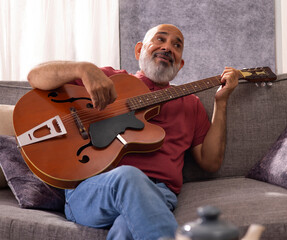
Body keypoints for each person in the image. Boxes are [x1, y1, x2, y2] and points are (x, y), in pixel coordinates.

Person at [27, 24, 239, 240]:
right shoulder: (108, 79)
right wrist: (83, 68)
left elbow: (210, 162)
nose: (167, 47)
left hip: (158, 194)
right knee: (128, 176)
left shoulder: (190, 104)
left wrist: (221, 103)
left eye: (177, 45)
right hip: (92, 191)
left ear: (180, 64)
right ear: (139, 50)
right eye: (160, 39)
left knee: (126, 230)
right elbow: (35, 76)